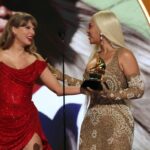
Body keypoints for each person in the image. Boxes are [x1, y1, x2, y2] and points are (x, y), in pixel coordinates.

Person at [0, 12, 83, 150]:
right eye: (26, 27)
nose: (32, 32)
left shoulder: (35, 60)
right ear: (13, 29)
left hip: (27, 124)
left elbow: (58, 89)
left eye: (33, 28)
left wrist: (85, 88)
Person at [77, 10, 145, 150]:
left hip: (117, 124)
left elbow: (138, 90)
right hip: (91, 121)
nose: (87, 31)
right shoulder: (94, 59)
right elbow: (85, 87)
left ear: (102, 29)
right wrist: (59, 76)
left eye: (90, 26)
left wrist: (112, 94)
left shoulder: (123, 54)